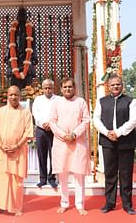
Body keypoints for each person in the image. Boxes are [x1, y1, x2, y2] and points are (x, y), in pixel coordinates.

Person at [93, 74, 136, 215]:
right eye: (112, 85)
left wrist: (118, 132)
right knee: (110, 174)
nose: (115, 87)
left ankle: (127, 205)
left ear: (122, 85)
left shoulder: (131, 101)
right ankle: (109, 203)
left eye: (118, 84)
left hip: (126, 142)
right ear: (108, 86)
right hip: (107, 142)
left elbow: (133, 121)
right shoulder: (102, 101)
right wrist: (107, 132)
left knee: (126, 175)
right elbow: (96, 120)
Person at [49, 77, 90, 216]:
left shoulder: (81, 102)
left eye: (70, 87)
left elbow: (86, 121)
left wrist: (74, 135)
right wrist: (63, 135)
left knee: (79, 175)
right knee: (63, 175)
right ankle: (64, 203)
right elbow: (52, 122)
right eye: (65, 87)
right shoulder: (56, 103)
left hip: (77, 143)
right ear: (61, 89)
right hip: (61, 144)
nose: (68, 89)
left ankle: (80, 204)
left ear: (74, 88)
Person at [0, 85, 33, 216]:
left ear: (20, 97)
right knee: (1, 179)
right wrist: (2, 145)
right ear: (7, 96)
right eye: (11, 95)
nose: (13, 97)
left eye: (16, 95)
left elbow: (28, 132)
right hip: (2, 151)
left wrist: (17, 146)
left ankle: (16, 207)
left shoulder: (25, 112)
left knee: (16, 181)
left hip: (18, 151)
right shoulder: (0, 112)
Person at [32, 79, 59, 188]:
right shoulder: (38, 100)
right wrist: (43, 123)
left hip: (54, 130)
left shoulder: (58, 100)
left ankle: (52, 178)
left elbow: (59, 114)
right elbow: (35, 113)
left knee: (54, 155)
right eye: (46, 88)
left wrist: (51, 124)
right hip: (41, 130)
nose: (48, 90)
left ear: (53, 88)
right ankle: (42, 179)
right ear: (42, 89)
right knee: (41, 155)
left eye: (50, 88)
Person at [4, 7, 37, 89]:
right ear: (17, 16)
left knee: (28, 85)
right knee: (14, 85)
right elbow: (9, 43)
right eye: (20, 15)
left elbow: (34, 44)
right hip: (16, 58)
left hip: (27, 58)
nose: (21, 17)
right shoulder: (13, 28)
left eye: (23, 15)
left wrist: (35, 55)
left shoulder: (30, 28)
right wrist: (7, 54)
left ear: (26, 16)